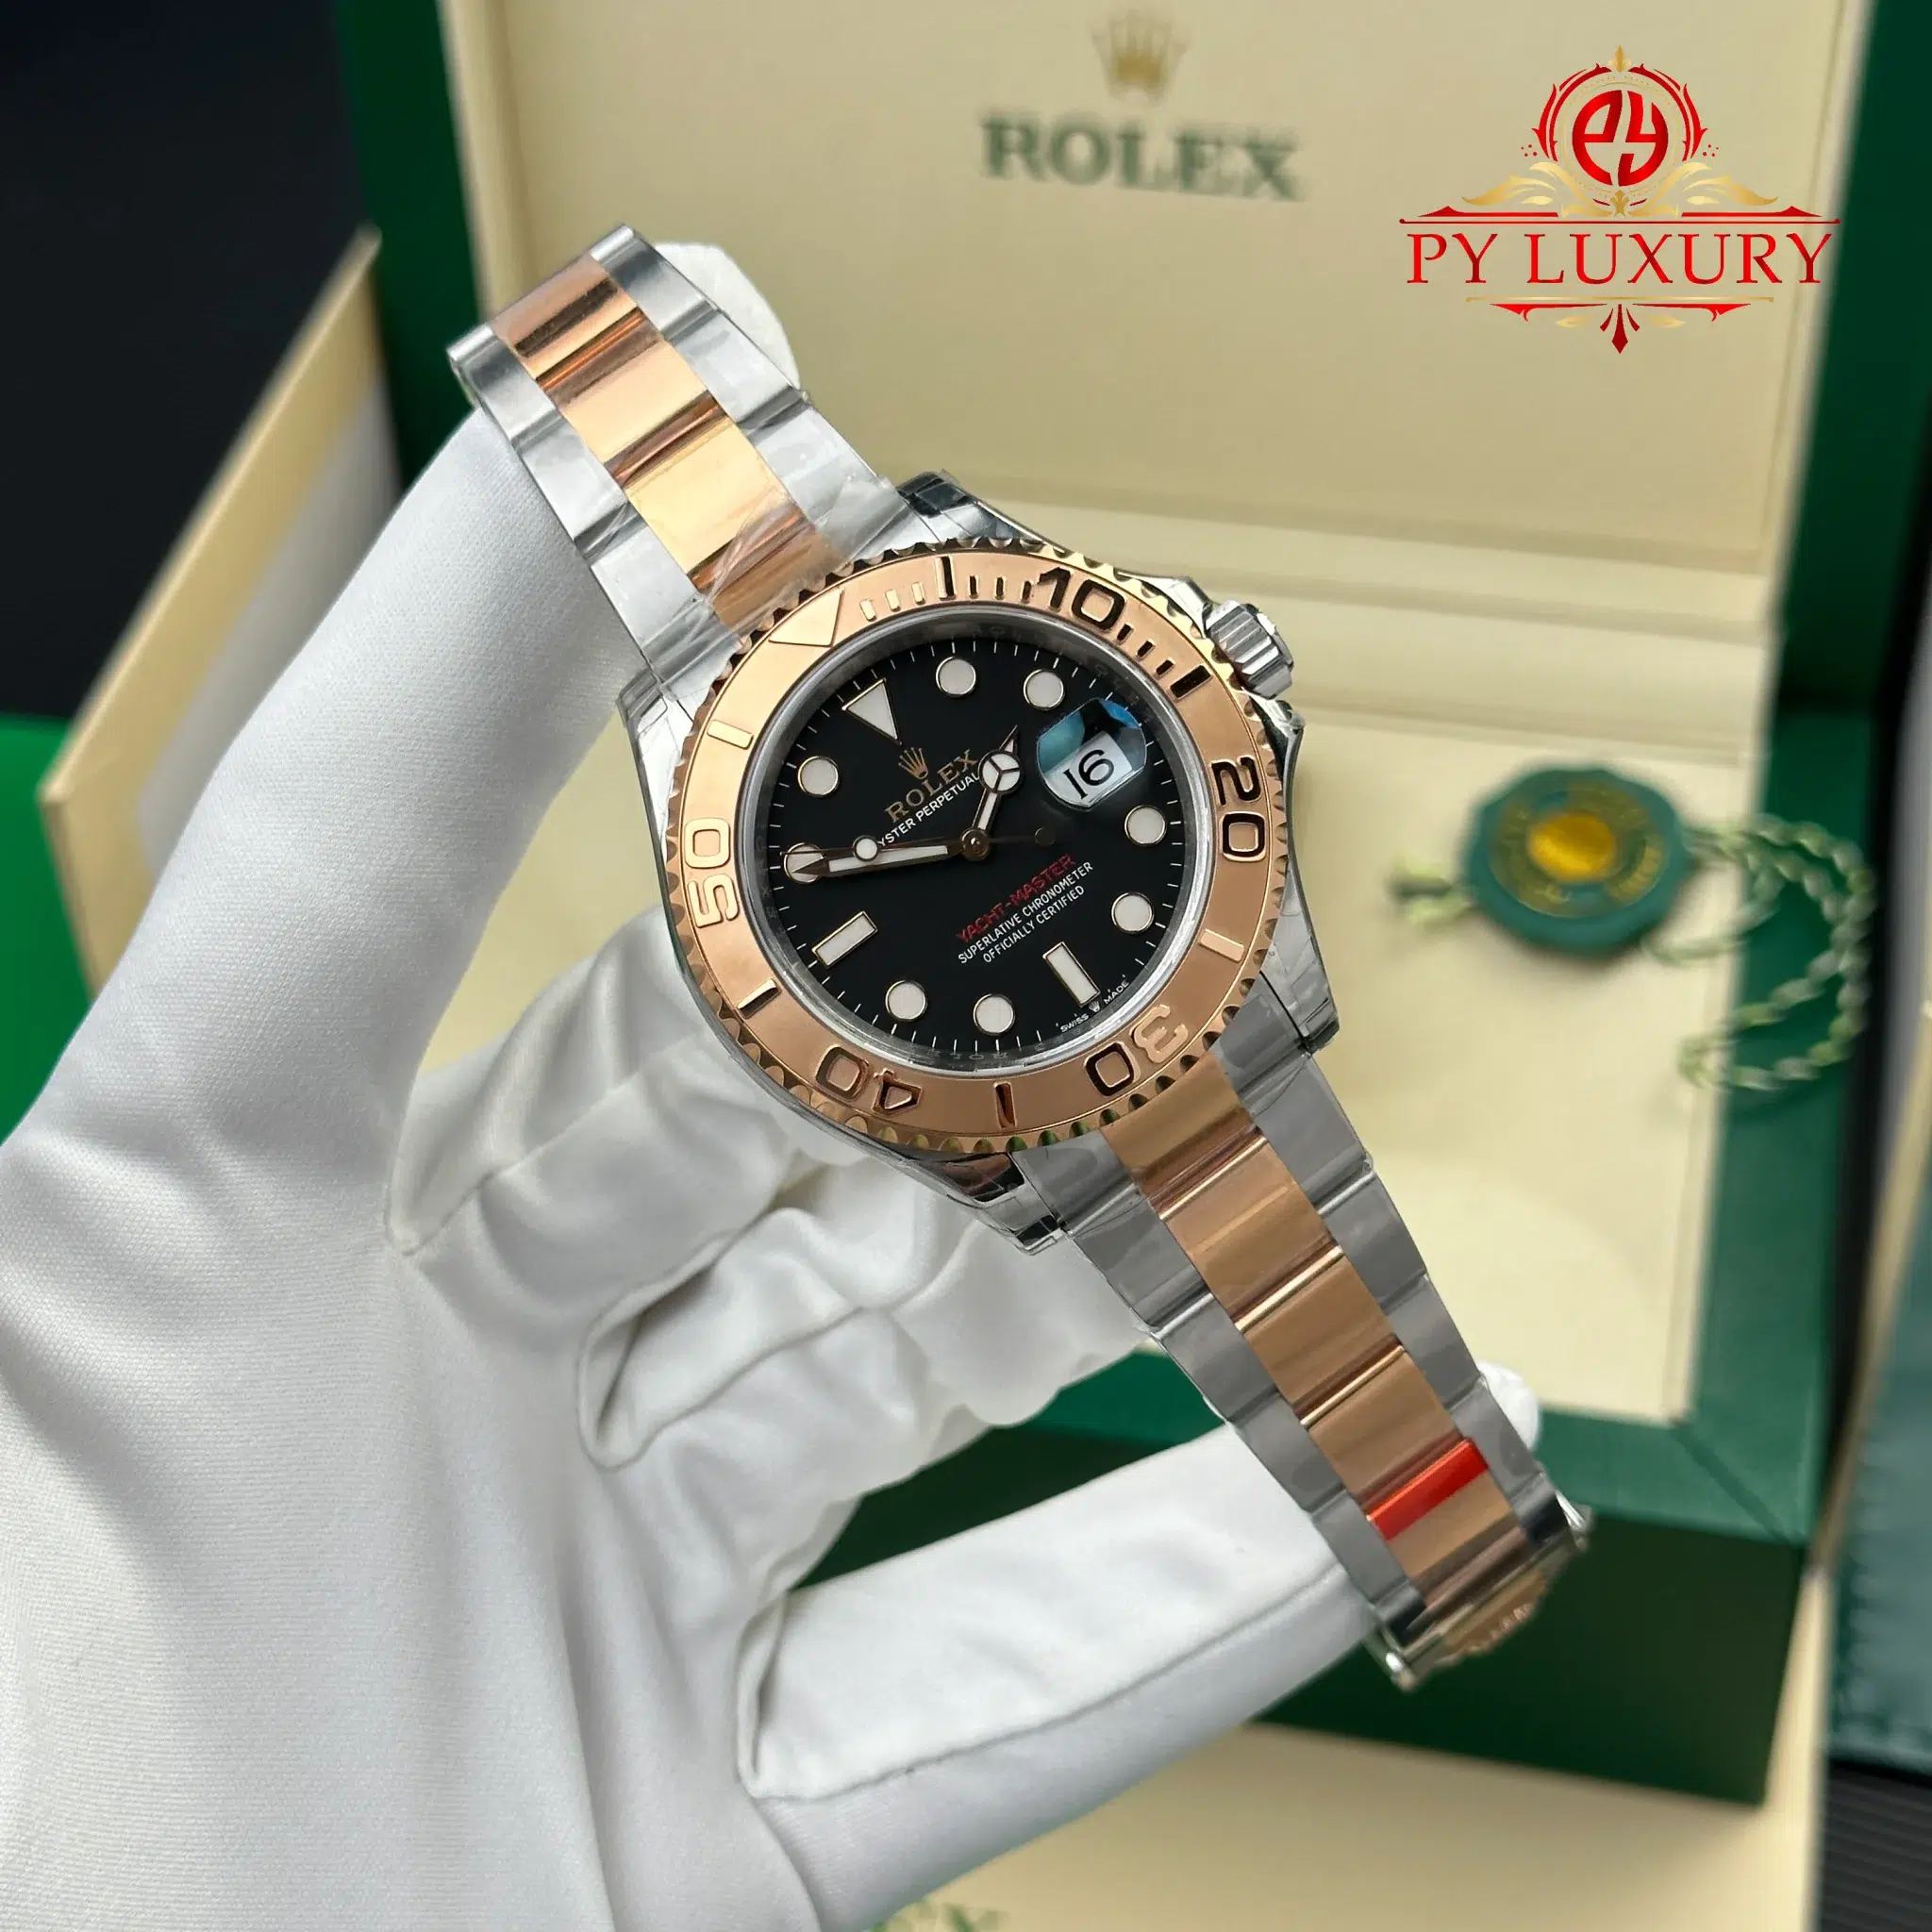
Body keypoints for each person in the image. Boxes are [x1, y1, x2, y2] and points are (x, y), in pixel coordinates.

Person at [0, 248, 1536, 1929]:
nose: (973, 847)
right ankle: (1453, 1529)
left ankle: (1451, 1521)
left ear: (1216, 673)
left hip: (1109, 994)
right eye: (931, 854)